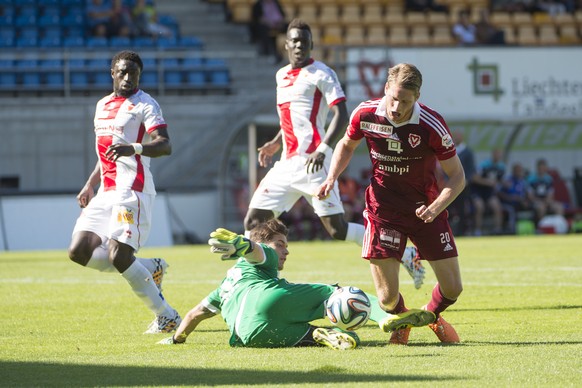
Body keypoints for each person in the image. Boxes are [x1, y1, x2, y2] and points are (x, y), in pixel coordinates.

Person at [243, 19, 426, 288]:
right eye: (294, 41)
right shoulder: (281, 75)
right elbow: (293, 118)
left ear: (311, 45)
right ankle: (251, 281)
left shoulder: (322, 73)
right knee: (253, 221)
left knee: (337, 230)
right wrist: (275, 141)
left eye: (304, 42)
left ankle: (406, 253)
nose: (299, 46)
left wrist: (323, 149)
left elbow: (341, 113)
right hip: (285, 164)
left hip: (314, 164)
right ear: (286, 44)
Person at [317, 63, 464, 345]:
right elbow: (347, 145)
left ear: (417, 97)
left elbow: (457, 176)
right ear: (385, 89)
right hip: (383, 210)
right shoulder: (366, 113)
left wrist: (436, 207)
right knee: (386, 300)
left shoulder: (431, 125)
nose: (396, 106)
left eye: (405, 101)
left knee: (453, 288)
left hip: (426, 211)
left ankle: (430, 316)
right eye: (393, 98)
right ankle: (401, 318)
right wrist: (332, 177)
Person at [158, 219, 435, 349]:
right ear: (265, 244)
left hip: (248, 335)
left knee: (322, 335)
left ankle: (316, 335)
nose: (285, 251)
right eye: (281, 245)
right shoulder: (261, 259)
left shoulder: (224, 285)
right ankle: (384, 317)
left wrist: (176, 338)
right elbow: (259, 251)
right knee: (336, 292)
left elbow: (194, 314)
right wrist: (244, 244)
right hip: (267, 297)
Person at [67, 50, 181, 334]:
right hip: (106, 191)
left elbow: (164, 145)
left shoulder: (146, 105)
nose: (129, 78)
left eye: (134, 73)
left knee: (118, 255)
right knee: (79, 251)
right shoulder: (101, 105)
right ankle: (151, 267)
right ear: (113, 73)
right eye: (123, 72)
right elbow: (106, 152)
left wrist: (135, 148)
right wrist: (90, 183)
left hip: (134, 190)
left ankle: (167, 317)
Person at [471, 148, 506, 235]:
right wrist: (487, 182)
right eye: (497, 154)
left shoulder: (501, 167)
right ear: (493, 154)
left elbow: (499, 180)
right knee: (480, 207)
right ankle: (477, 230)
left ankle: (497, 230)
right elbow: (474, 178)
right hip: (478, 190)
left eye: (500, 154)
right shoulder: (484, 165)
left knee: (497, 207)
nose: (498, 156)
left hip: (489, 192)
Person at [250, 0, 287, 64]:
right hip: (265, 25)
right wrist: (269, 23)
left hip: (278, 24)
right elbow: (257, 18)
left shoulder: (276, 3)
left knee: (289, 26)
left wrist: (279, 23)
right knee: (262, 28)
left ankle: (282, 51)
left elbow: (282, 15)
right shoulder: (258, 4)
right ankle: (266, 50)